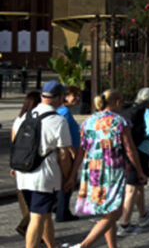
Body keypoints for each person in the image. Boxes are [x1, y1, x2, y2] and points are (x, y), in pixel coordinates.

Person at [64, 89, 145, 248]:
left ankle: (112, 246)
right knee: (114, 212)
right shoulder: (120, 121)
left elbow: (81, 151)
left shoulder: (89, 121)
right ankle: (84, 245)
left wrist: (73, 175)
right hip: (111, 170)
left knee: (108, 210)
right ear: (116, 102)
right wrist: (139, 171)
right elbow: (130, 149)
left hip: (93, 170)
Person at [12, 81, 73, 248]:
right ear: (59, 98)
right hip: (44, 177)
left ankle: (52, 245)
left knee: (43, 214)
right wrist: (67, 178)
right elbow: (64, 155)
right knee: (37, 217)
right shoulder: (58, 121)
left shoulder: (26, 116)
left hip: (23, 174)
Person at [118, 88, 149, 237]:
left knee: (139, 183)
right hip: (140, 151)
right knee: (132, 188)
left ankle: (143, 214)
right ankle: (125, 224)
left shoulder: (128, 110)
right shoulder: (148, 113)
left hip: (125, 151)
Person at [11, 91, 41, 239]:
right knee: (36, 205)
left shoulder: (18, 120)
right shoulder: (35, 120)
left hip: (18, 162)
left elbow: (13, 143)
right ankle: (29, 229)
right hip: (32, 162)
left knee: (24, 200)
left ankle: (32, 229)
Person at [54, 87, 81, 223]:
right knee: (68, 180)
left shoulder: (64, 111)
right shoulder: (64, 112)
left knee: (66, 181)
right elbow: (63, 134)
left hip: (68, 149)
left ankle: (61, 209)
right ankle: (62, 211)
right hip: (68, 151)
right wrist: (73, 152)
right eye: (73, 96)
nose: (77, 99)